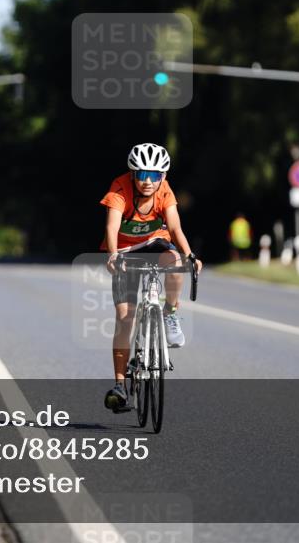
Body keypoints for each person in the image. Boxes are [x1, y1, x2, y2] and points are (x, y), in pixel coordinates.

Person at [100, 143, 202, 412]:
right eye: (142, 174)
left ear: (163, 177)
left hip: (155, 244)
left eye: (155, 176)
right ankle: (120, 385)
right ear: (132, 173)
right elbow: (111, 225)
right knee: (125, 318)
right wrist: (112, 255)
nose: (147, 181)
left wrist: (190, 254)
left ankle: (169, 312)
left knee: (176, 261)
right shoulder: (120, 188)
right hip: (124, 251)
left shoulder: (164, 192)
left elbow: (175, 226)